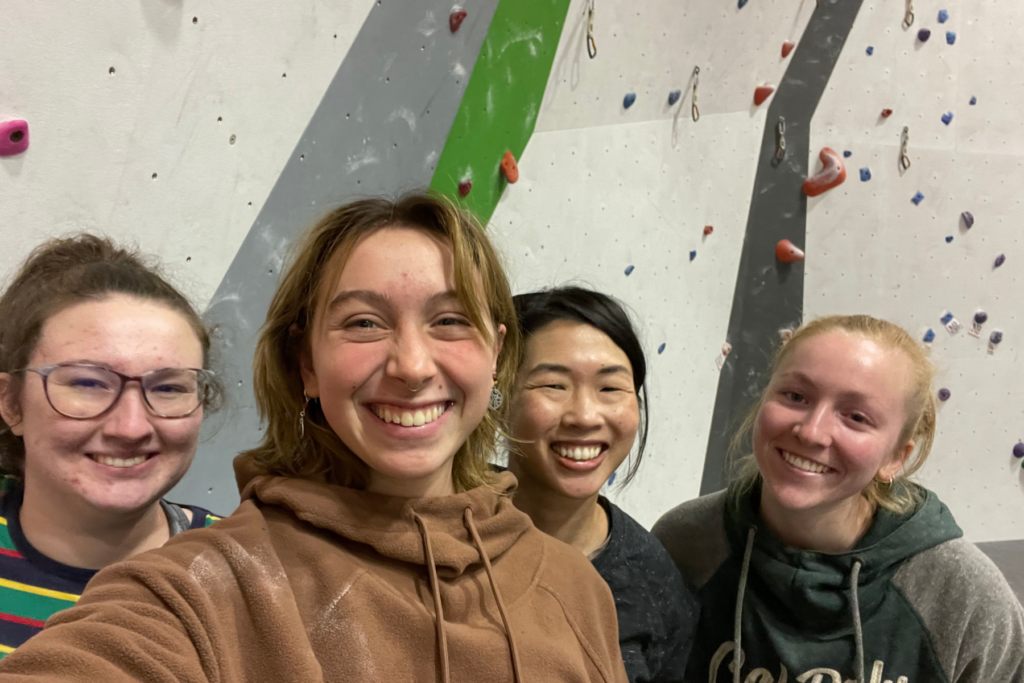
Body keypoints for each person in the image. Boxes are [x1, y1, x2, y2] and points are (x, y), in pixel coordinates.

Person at [0, 193, 630, 683]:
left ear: (495, 354)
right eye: (363, 322)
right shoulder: (208, 587)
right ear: (305, 364)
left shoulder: (576, 588)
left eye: (449, 320)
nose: (412, 366)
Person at [652, 315, 1024, 683]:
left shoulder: (962, 594)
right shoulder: (686, 544)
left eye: (857, 417)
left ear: (896, 457)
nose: (812, 432)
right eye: (795, 396)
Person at [0, 235, 224, 658]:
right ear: (11, 403)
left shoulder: (246, 574)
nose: (131, 426)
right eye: (87, 383)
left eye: (170, 387)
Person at [507, 286, 698, 683]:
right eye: (553, 386)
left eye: (610, 388)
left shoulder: (652, 582)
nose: (585, 415)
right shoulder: (438, 523)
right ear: (497, 395)